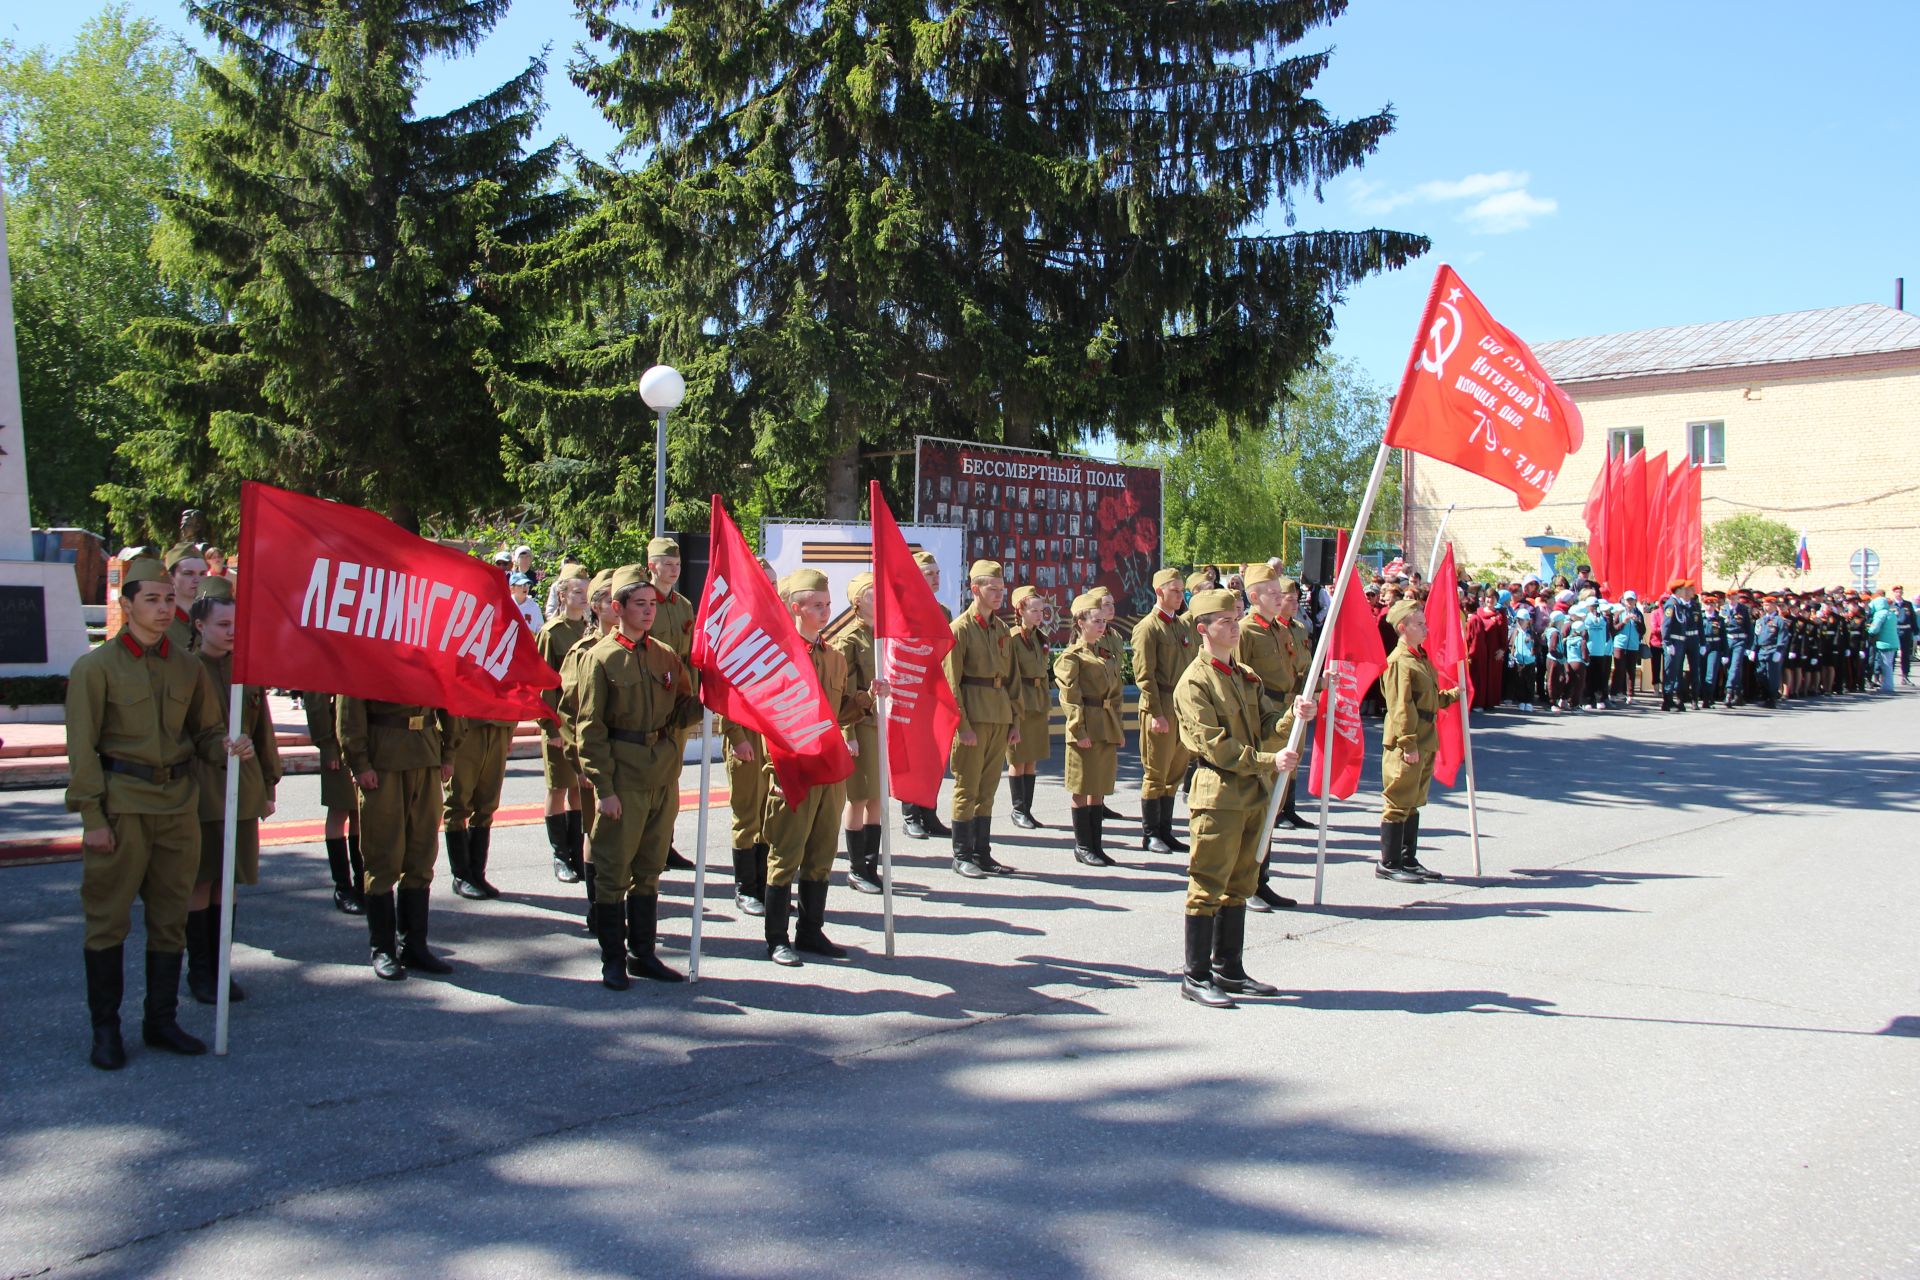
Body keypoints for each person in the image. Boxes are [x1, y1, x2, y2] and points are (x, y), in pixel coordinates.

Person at [66, 557, 250, 1069]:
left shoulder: (187, 667)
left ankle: (161, 1020)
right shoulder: (95, 669)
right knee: (108, 923)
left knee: (170, 919)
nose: (165, 607)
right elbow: (82, 753)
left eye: (170, 598)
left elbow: (206, 734)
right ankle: (106, 1030)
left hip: (177, 806)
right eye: (152, 599)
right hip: (122, 805)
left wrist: (228, 746)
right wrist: (92, 819)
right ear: (126, 606)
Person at [1173, 589, 1312, 1009]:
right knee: (1208, 883)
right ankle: (1195, 975)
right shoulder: (1195, 682)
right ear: (1203, 629)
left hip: (1251, 790)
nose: (1235, 626)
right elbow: (1215, 745)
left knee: (1240, 883)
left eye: (1236, 619)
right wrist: (1271, 759)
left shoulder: (1243, 674)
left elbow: (1266, 722)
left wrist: (1293, 716)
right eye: (1225, 622)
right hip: (1219, 793)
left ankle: (1229, 967)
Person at [575, 569, 699, 988]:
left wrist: (711, 697)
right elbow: (589, 729)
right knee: (613, 870)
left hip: (661, 772)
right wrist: (603, 789)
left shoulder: (664, 655)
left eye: (652, 605)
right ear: (618, 609)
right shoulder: (601, 657)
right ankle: (612, 959)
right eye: (639, 605)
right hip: (623, 776)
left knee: (649, 869)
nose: (648, 612)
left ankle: (642, 953)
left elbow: (681, 707)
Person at [759, 569, 869, 966]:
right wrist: (774, 774)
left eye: (827, 604)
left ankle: (810, 931)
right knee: (786, 854)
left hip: (829, 768)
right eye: (818, 605)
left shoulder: (834, 658)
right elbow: (766, 721)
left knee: (822, 853)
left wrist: (866, 700)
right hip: (792, 769)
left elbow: (837, 712)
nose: (826, 611)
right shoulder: (776, 658)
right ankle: (776, 938)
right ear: (796, 608)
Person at [184, 580, 282, 1006]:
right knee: (201, 879)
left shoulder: (247, 670)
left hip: (241, 785)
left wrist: (270, 783)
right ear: (200, 624)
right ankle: (200, 970)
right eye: (222, 624)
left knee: (231, 880)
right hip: (199, 786)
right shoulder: (185, 669)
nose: (230, 631)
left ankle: (221, 966)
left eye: (235, 624)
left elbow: (263, 731)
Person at [337, 696, 460, 980]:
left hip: (426, 752)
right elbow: (349, 707)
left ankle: (414, 946)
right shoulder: (367, 653)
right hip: (383, 758)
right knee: (383, 854)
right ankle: (383, 949)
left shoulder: (429, 648)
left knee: (421, 853)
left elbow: (446, 692)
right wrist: (359, 762)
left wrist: (448, 752)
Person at [1232, 564, 1310, 911]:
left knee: (1274, 805)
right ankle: (1244, 883)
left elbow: (1295, 673)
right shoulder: (1245, 631)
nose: (1281, 599)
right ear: (1253, 596)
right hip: (1263, 723)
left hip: (1288, 718)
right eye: (1273, 593)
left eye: (1281, 593)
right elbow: (1237, 682)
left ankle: (1261, 878)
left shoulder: (1282, 630)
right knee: (1256, 805)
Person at [1376, 598, 1461, 885]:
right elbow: (1400, 706)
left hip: (1425, 735)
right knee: (1399, 800)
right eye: (1420, 624)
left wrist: (1453, 695)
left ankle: (1407, 859)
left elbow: (1428, 700)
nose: (1426, 628)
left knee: (1413, 801)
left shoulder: (1419, 658)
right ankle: (1389, 862)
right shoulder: (1400, 662)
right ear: (1403, 628)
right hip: (1407, 740)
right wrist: (1408, 744)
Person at [943, 560, 1020, 879]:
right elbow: (951, 683)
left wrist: (1015, 721)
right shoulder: (959, 629)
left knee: (987, 789)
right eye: (992, 588)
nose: (999, 594)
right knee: (967, 787)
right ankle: (962, 854)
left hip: (999, 717)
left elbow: (1013, 679)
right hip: (972, 718)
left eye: (1002, 589)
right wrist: (962, 726)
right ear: (975, 589)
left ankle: (982, 851)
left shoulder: (1003, 629)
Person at [722, 559, 779, 916]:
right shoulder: (734, 630)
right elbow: (725, 691)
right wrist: (736, 736)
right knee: (747, 814)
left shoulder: (778, 626)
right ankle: (746, 888)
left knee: (770, 812)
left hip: (773, 732)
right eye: (763, 582)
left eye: (773, 582)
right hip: (746, 734)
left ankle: (764, 882)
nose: (770, 588)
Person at [1054, 590, 1123, 867]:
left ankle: (1096, 845)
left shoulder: (1103, 653)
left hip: (1105, 725)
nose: (1101, 625)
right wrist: (1078, 731)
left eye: (1102, 621)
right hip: (1086, 726)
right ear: (1080, 622)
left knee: (1100, 787)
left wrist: (1116, 729)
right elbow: (1070, 699)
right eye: (1095, 620)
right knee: (1082, 788)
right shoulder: (1072, 657)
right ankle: (1083, 846)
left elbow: (1115, 693)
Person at [535, 565, 594, 883]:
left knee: (578, 789)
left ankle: (575, 852)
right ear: (562, 595)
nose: (583, 597)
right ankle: (560, 857)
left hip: (581, 725)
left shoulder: (588, 628)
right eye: (577, 591)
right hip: (559, 724)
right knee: (558, 788)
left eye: (586, 591)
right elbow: (545, 684)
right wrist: (550, 727)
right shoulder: (552, 632)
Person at [1132, 568, 1197, 855]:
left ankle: (1166, 830)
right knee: (1156, 773)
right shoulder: (1148, 628)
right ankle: (1151, 833)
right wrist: (1156, 713)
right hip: (1160, 706)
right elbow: (1144, 676)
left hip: (1181, 708)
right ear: (1159, 592)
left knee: (1175, 772)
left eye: (1181, 590)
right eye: (1174, 590)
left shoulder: (1180, 626)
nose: (1179, 595)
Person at [645, 538, 698, 873]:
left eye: (677, 565)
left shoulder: (683, 605)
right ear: (652, 566)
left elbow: (690, 657)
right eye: (667, 564)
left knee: (672, 776)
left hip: (675, 696)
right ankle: (647, 844)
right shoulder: (643, 601)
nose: (674, 570)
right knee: (648, 774)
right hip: (648, 695)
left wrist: (690, 697)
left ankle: (666, 843)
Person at [831, 572, 884, 894]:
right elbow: (844, 692)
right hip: (860, 725)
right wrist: (848, 732)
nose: (877, 599)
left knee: (877, 798)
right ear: (856, 602)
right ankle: (856, 867)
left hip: (881, 725)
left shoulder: (883, 637)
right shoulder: (849, 640)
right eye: (870, 594)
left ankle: (871, 864)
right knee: (859, 797)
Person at [901, 550, 955, 841]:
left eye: (937, 573)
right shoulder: (903, 610)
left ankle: (928, 811)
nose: (936, 578)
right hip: (911, 689)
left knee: (934, 755)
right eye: (929, 573)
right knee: (913, 755)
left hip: (935, 689)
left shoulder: (943, 611)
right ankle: (911, 814)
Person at [305, 689, 364, 914]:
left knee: (360, 811)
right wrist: (327, 745)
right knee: (339, 811)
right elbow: (315, 700)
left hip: (361, 741)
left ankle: (362, 883)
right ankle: (342, 887)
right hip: (337, 743)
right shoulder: (326, 655)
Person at [444, 708, 512, 901]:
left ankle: (477, 873)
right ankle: (461, 875)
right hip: (466, 726)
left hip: (499, 723)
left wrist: (510, 728)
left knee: (487, 805)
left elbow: (509, 682)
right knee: (458, 804)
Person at [1005, 584, 1053, 831]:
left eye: (1041, 610)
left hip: (1037, 701)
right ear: (1020, 610)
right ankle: (1018, 809)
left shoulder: (1039, 638)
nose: (1039, 614)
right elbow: (1009, 674)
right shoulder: (1013, 638)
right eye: (1033, 609)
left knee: (1032, 758)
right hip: (1020, 700)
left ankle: (1028, 810)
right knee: (1018, 758)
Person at [1661, 580, 1703, 711]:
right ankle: (1667, 701)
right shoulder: (1671, 605)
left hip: (1680, 641)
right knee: (1670, 671)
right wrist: (1667, 642)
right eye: (1683, 589)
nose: (1686, 592)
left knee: (1673, 672)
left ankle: (1670, 701)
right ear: (1678, 590)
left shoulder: (1678, 604)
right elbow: (1666, 625)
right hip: (1673, 641)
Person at [1465, 591, 1508, 712]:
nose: (1490, 600)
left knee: (1491, 678)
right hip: (1479, 651)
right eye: (1488, 597)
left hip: (1493, 651)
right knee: (1478, 676)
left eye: (1493, 598)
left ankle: (1489, 702)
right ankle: (1477, 702)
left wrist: (1502, 650)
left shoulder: (1500, 615)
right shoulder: (1477, 613)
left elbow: (1504, 634)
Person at [164, 543, 207, 651]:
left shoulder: (212, 618)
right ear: (170, 577)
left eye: (202, 574)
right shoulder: (159, 623)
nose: (197, 580)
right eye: (188, 573)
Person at [1753, 596, 1787, 707]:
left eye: (1768, 605)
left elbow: (1782, 636)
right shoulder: (1760, 621)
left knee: (1772, 675)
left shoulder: (1779, 620)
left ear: (1774, 605)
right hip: (1762, 650)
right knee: (1761, 674)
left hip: (1773, 650)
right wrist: (1753, 650)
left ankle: (1772, 698)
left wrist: (1779, 650)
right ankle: (1765, 695)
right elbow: (1756, 636)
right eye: (1764, 604)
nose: (1765, 607)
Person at [1868, 594, 1900, 692]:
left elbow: (1874, 629)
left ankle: (1887, 686)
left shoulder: (1880, 614)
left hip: (1884, 642)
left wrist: (1868, 629)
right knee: (1889, 664)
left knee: (1886, 665)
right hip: (1893, 642)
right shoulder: (1891, 614)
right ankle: (1887, 685)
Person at [1892, 585, 1916, 685]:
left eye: (1900, 592)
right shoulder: (1891, 605)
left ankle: (1905, 676)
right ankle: (1889, 677)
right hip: (1894, 632)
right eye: (1897, 592)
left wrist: (1916, 632)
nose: (1899, 593)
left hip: (1906, 632)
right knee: (1892, 654)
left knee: (1905, 655)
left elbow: (1913, 619)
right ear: (1894, 593)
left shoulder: (1908, 604)